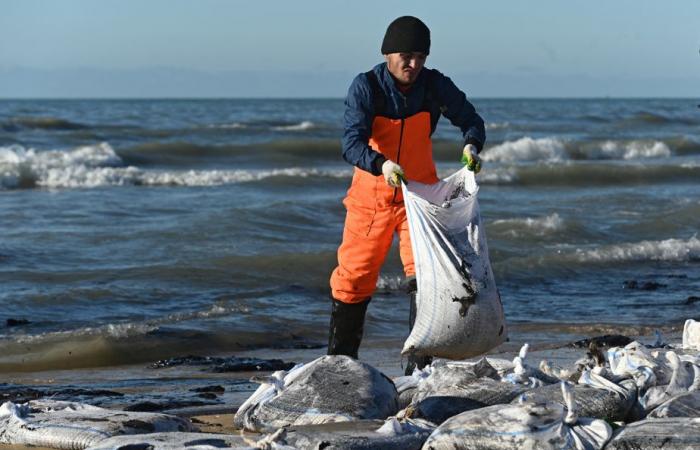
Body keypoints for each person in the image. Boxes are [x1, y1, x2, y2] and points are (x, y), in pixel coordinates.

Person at [327, 16, 486, 374]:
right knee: (354, 278)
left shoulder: (434, 85)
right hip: (373, 198)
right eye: (404, 55)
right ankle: (339, 366)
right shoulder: (367, 87)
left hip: (421, 199)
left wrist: (472, 146)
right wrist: (381, 164)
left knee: (425, 277)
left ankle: (418, 371)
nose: (411, 64)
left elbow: (471, 119)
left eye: (419, 56)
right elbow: (350, 143)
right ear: (387, 54)